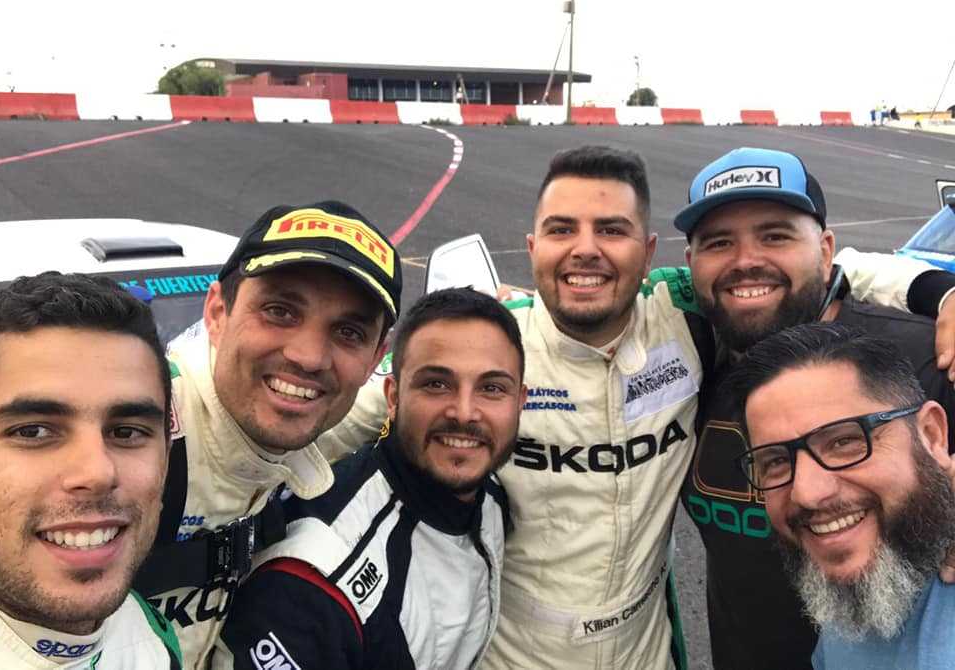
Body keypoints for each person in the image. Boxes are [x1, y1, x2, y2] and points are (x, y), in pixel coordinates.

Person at [321, 146, 955, 670]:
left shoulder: (682, 315)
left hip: (647, 649)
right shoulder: (490, 343)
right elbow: (343, 414)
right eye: (562, 230)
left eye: (612, 230)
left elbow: (794, 272)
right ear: (533, 247)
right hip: (510, 652)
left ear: (649, 253)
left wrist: (937, 288)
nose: (585, 249)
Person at [672, 146, 955, 670]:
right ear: (691, 265)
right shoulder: (685, 360)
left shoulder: (926, 358)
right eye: (719, 242)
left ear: (826, 252)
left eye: (776, 236)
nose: (746, 260)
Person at [135, 201, 402, 668]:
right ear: (217, 313)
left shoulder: (303, 425)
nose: (309, 357)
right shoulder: (136, 437)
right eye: (279, 311)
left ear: (374, 359)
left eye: (348, 332)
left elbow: (397, 402)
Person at [214, 288, 523, 669]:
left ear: (520, 401)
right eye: (436, 384)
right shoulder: (312, 582)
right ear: (392, 397)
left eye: (492, 388)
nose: (464, 412)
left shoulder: (492, 496)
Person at [727, 322, 955, 670]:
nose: (807, 493)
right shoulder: (858, 588)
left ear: (931, 435)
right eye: (776, 461)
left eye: (844, 441)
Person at [0, 273, 180, 669]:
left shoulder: (150, 635)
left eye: (126, 432)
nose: (98, 472)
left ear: (165, 458)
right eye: (33, 431)